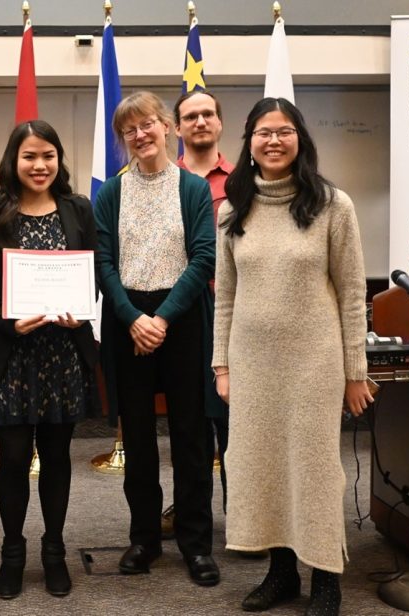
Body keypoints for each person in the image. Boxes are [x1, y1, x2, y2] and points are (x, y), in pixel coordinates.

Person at [212, 97, 372, 616]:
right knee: (261, 466)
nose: (273, 140)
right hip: (253, 362)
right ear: (249, 141)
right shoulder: (231, 208)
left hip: (314, 364)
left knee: (314, 468)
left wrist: (355, 372)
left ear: (300, 138)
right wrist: (222, 364)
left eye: (284, 131)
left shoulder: (332, 205)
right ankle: (280, 573)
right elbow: (226, 296)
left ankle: (326, 579)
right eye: (263, 132)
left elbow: (351, 294)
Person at [0, 120, 99, 600]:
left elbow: (95, 270)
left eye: (47, 156)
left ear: (59, 160)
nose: (39, 165)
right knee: (15, 459)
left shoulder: (78, 209)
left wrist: (80, 312)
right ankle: (12, 552)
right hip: (13, 357)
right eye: (29, 157)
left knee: (59, 458)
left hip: (63, 354)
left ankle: (54, 551)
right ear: (13, 161)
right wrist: (4, 318)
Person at [94, 91, 221, 587]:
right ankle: (144, 538)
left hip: (182, 319)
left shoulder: (191, 188)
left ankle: (195, 544)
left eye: (148, 124)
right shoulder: (110, 193)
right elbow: (103, 263)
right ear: (123, 139)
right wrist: (133, 319)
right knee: (139, 439)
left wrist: (162, 319)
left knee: (192, 437)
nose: (141, 135)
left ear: (168, 127)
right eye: (130, 129)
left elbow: (204, 257)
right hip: (127, 323)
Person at [173, 89, 234, 523]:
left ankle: (244, 518)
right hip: (182, 312)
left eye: (207, 114)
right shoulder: (163, 181)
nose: (199, 121)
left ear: (219, 123)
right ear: (176, 128)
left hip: (233, 309)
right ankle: (192, 515)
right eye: (190, 116)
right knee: (189, 422)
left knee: (234, 422)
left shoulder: (243, 180)